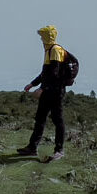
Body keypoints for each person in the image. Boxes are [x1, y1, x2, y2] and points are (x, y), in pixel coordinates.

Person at [17, 25, 67, 161]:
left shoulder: (55, 50)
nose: (40, 39)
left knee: (58, 120)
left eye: (42, 36)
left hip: (56, 92)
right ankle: (32, 148)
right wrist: (33, 84)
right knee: (40, 119)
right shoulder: (48, 50)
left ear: (48, 36)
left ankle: (59, 150)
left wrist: (41, 89)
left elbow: (54, 74)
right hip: (48, 91)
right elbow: (45, 73)